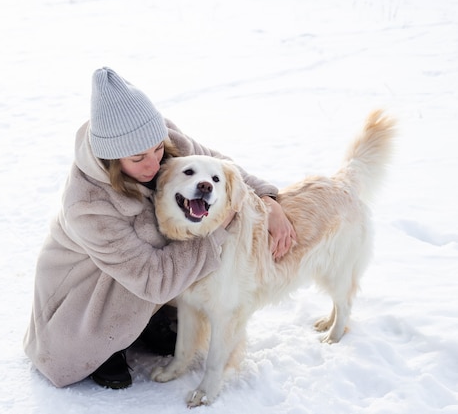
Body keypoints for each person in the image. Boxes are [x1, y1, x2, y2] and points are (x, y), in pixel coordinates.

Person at [23, 67, 296, 390]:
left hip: (140, 270)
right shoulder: (87, 204)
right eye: (139, 158)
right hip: (88, 284)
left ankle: (147, 320)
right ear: (110, 159)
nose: (155, 164)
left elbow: (217, 165)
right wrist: (216, 229)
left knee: (165, 239)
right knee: (134, 282)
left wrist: (268, 198)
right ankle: (106, 343)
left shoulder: (160, 139)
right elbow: (152, 278)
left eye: (158, 150)